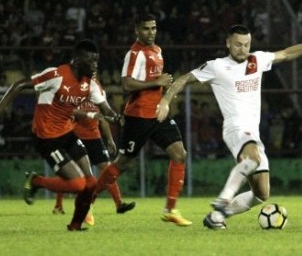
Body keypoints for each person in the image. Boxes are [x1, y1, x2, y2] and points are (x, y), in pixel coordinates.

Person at [156, 24, 302, 229]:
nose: (243, 48)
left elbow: (286, 54)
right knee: (253, 158)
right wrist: (165, 100)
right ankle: (224, 199)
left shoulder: (256, 60)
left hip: (252, 132)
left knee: (261, 193)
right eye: (238, 44)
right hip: (235, 127)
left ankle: (215, 217)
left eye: (246, 44)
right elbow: (185, 79)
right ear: (228, 43)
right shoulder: (217, 66)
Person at [0, 39, 122, 231]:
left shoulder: (90, 85)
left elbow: (106, 109)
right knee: (77, 184)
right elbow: (20, 84)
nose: (95, 66)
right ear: (77, 60)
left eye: (97, 61)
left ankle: (75, 225)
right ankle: (35, 181)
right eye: (91, 61)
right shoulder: (56, 75)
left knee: (89, 183)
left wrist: (117, 117)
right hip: (46, 137)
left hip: (67, 132)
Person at [93, 13, 192, 226]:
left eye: (154, 28)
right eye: (146, 29)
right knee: (123, 164)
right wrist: (157, 81)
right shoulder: (134, 54)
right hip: (138, 117)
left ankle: (170, 209)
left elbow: (151, 82)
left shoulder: (157, 51)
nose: (151, 32)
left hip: (158, 113)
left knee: (179, 154)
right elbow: (126, 85)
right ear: (136, 30)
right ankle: (88, 200)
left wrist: (160, 85)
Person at [53, 97, 136, 226]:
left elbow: (102, 118)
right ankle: (58, 206)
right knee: (69, 172)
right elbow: (69, 113)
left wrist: (109, 139)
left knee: (107, 168)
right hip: (77, 138)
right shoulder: (74, 93)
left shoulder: (96, 93)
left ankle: (119, 204)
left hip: (95, 139)